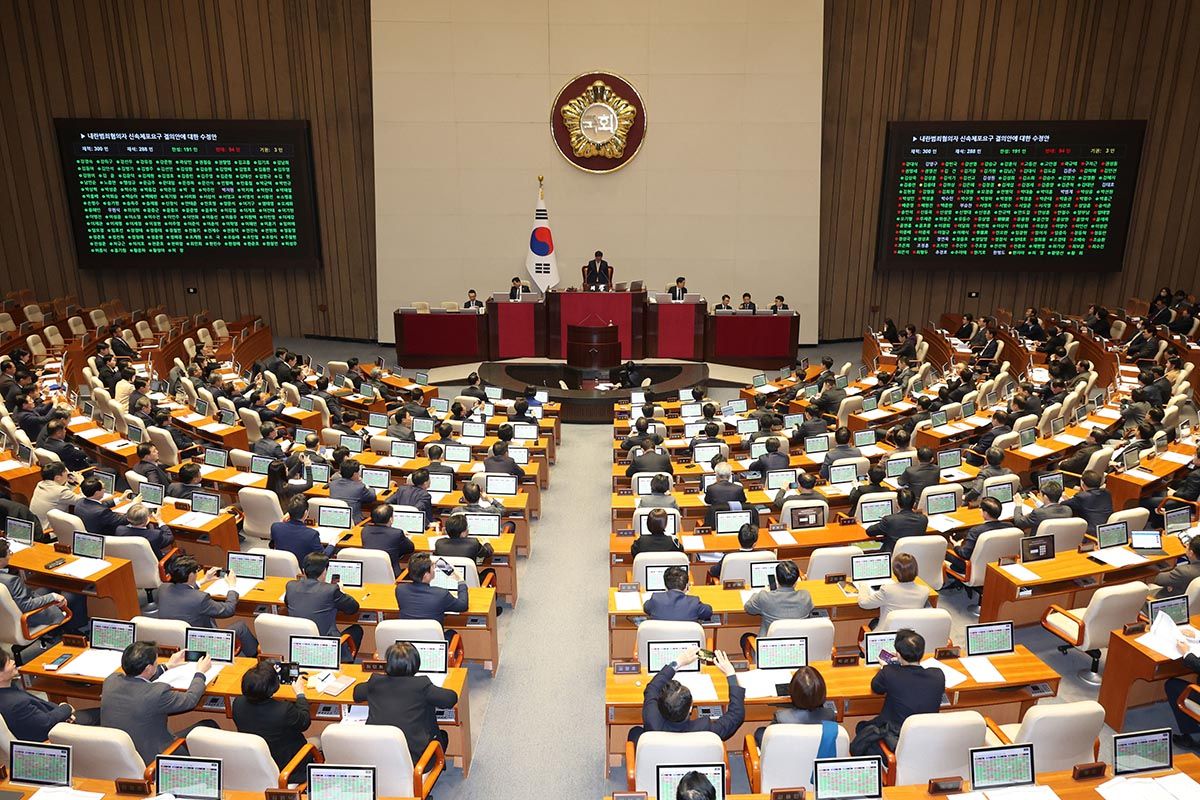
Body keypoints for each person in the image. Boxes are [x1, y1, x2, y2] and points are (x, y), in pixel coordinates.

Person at [101, 641, 216, 762]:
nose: (157, 663)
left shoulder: (110, 681)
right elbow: (190, 699)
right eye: (156, 662)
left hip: (119, 755)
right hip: (154, 758)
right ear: (149, 668)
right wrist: (200, 673)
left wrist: (168, 665)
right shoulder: (157, 693)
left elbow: (138, 679)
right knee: (209, 725)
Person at [352, 642, 458, 763]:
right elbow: (451, 699)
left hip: (377, 755)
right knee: (442, 736)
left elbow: (356, 694)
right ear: (416, 664)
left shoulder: (375, 682)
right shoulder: (421, 685)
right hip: (414, 760)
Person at [849, 629, 944, 757]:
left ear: (898, 655)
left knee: (861, 727)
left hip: (895, 737)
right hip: (926, 735)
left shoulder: (889, 673)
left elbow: (876, 688)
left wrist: (885, 669)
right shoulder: (938, 675)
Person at [630, 646, 743, 744]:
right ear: (690, 709)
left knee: (635, 732)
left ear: (659, 705)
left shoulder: (651, 718)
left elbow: (652, 688)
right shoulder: (705, 730)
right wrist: (731, 674)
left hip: (659, 762)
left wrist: (677, 663)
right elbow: (736, 715)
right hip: (692, 766)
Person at [157, 554, 259, 656]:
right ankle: (256, 657)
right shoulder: (200, 599)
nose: (197, 573)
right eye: (196, 571)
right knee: (241, 627)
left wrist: (203, 580)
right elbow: (228, 610)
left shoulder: (162, 589)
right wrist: (232, 587)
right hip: (201, 645)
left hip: (174, 644)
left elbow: (184, 592)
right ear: (191, 575)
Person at [232, 661, 313, 771]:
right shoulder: (284, 710)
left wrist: (269, 674)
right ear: (274, 686)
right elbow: (305, 721)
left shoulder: (237, 703)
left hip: (256, 763)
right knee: (320, 738)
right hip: (288, 766)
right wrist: (300, 694)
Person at [0, 647, 95, 737]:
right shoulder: (17, 704)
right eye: (8, 663)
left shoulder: (9, 689)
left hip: (53, 716)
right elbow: (46, 723)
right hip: (57, 732)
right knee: (103, 714)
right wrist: (66, 708)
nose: (13, 662)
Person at [0, 539, 87, 638]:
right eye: (8, 553)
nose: (10, 555)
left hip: (5, 617)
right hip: (28, 616)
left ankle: (56, 630)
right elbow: (27, 606)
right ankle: (73, 629)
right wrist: (53, 597)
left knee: (47, 587)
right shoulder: (11, 581)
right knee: (73, 594)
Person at [286, 553, 363, 657]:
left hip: (298, 647)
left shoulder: (291, 586)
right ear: (324, 571)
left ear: (303, 571)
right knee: (357, 630)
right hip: (326, 648)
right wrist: (341, 592)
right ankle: (346, 662)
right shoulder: (331, 590)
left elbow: (287, 604)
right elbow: (353, 608)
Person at [753, 665, 839, 746]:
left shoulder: (781, 718)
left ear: (792, 691)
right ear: (822, 692)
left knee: (760, 732)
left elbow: (769, 741)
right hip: (816, 758)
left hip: (787, 757)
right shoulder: (830, 715)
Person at [857, 553, 929, 628]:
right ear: (916, 570)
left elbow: (863, 603)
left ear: (894, 571)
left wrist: (863, 585)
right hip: (909, 635)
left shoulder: (887, 590)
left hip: (887, 636)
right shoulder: (925, 591)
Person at [744, 560, 812, 636]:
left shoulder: (764, 597)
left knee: (745, 637)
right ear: (796, 580)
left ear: (776, 578)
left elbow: (748, 608)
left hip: (770, 645)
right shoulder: (806, 596)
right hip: (797, 643)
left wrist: (762, 591)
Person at [394, 553, 468, 622]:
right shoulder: (441, 594)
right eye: (432, 567)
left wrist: (438, 563)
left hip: (408, 635)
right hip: (433, 636)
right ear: (426, 575)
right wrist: (460, 580)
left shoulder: (400, 590)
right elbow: (463, 605)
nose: (434, 568)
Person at [947, 497, 1008, 574]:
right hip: (999, 568)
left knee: (946, 553)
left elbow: (964, 554)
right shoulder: (1010, 526)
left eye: (981, 509)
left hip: (972, 570)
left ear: (985, 513)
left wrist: (956, 546)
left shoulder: (976, 531)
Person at [271, 495, 331, 563]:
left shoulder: (275, 527)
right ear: (306, 513)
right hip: (303, 571)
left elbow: (273, 544)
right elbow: (322, 557)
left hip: (282, 567)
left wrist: (282, 520)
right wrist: (332, 544)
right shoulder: (312, 535)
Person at [360, 504, 415, 575]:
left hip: (369, 573)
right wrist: (405, 537)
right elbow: (410, 548)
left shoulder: (365, 531)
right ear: (391, 519)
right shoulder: (397, 533)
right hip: (392, 574)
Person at [644, 566, 713, 622]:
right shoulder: (694, 602)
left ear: (665, 586)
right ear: (686, 586)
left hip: (660, 638)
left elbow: (646, 607)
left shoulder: (656, 599)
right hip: (687, 638)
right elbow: (708, 611)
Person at [1064, 469, 1113, 534]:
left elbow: (1063, 504)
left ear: (1083, 484)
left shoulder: (1082, 496)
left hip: (1091, 532)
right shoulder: (1106, 492)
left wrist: (1065, 498)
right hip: (1108, 529)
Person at [29, 462, 78, 527]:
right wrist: (81, 482)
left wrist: (70, 484)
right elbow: (82, 501)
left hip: (38, 525)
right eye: (65, 471)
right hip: (49, 531)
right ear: (58, 477)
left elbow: (61, 493)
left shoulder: (40, 484)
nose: (68, 473)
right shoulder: (61, 492)